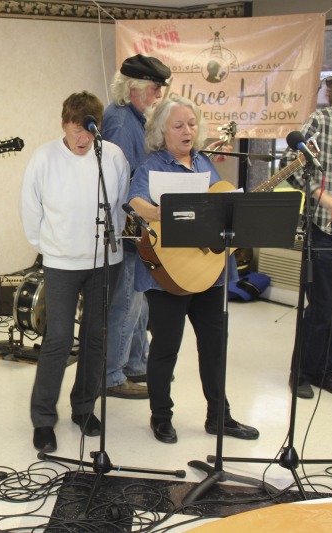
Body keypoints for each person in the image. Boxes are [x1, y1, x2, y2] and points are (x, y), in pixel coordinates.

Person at [127, 93, 259, 444]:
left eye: (192, 123)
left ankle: (220, 417)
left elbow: (218, 207)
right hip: (168, 276)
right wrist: (163, 209)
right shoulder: (151, 166)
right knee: (166, 348)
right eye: (179, 125)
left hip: (209, 273)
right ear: (161, 131)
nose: (187, 130)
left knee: (215, 347)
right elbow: (135, 203)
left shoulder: (204, 165)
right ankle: (161, 416)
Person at [20, 91, 130, 453]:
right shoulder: (44, 157)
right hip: (62, 262)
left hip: (104, 262)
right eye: (75, 129)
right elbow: (30, 206)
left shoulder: (112, 156)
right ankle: (43, 418)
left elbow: (121, 205)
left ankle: (84, 407)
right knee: (59, 339)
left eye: (89, 131)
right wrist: (48, 247)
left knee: (97, 337)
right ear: (64, 124)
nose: (83, 138)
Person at [285, 55, 332, 400]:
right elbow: (295, 168)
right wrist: (324, 197)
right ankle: (302, 371)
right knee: (320, 307)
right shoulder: (324, 120)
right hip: (326, 227)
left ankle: (327, 370)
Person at [101, 54, 171, 400]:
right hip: (126, 229)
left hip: (134, 227)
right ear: (134, 89)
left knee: (138, 299)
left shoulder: (128, 116)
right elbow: (120, 182)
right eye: (154, 89)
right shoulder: (122, 125)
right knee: (127, 303)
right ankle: (112, 374)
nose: (158, 96)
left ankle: (134, 363)